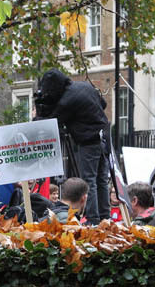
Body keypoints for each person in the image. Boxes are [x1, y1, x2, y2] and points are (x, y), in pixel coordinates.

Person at [32, 69, 110, 223]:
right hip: (104, 136)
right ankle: (105, 216)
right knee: (101, 179)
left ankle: (93, 219)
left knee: (89, 181)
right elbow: (104, 103)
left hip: (88, 141)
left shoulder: (67, 101)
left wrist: (38, 116)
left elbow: (52, 122)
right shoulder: (85, 86)